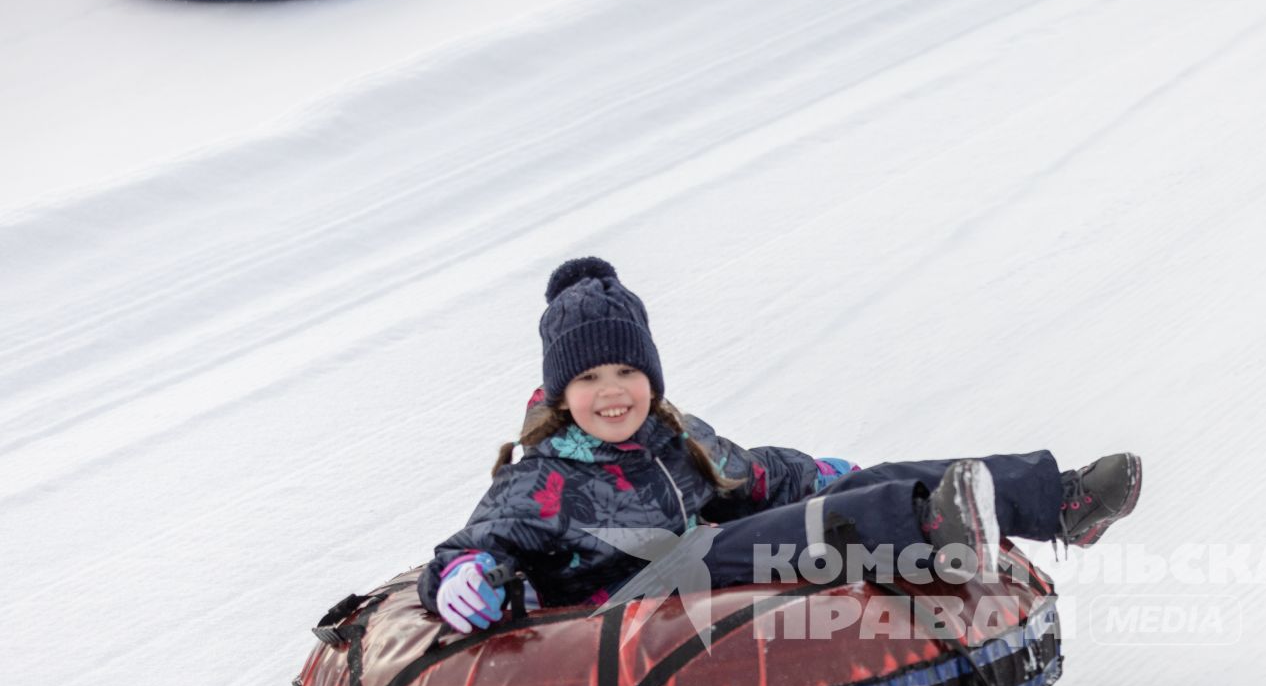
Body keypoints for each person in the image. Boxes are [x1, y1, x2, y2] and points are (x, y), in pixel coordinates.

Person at [423, 257, 1142, 635]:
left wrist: (825, 474)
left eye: (627, 371)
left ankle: (1059, 500)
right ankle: (932, 526)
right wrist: (464, 575)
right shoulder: (544, 481)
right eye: (588, 378)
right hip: (623, 608)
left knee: (854, 486)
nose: (612, 393)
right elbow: (473, 547)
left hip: (700, 572)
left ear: (650, 377)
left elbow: (754, 474)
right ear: (559, 394)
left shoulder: (674, 436)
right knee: (728, 545)